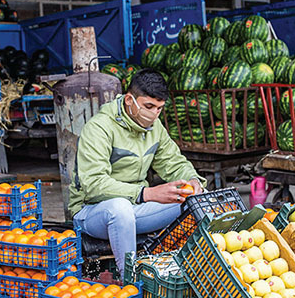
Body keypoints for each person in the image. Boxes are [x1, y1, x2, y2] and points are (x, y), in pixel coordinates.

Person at [69, 69, 206, 274]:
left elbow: (174, 162)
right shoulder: (99, 128)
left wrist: (193, 181)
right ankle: (131, 281)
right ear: (129, 100)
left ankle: (179, 275)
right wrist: (147, 194)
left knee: (197, 201)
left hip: (136, 209)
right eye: (148, 106)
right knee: (120, 208)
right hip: (93, 212)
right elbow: (94, 185)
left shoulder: (155, 127)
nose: (154, 113)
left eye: (159, 108)